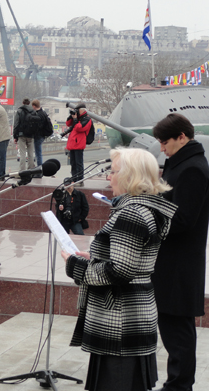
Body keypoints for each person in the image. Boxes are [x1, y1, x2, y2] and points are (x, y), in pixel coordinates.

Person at [61, 148, 177, 391]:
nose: (108, 177)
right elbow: (131, 260)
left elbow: (120, 272)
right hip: (130, 315)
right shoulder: (142, 209)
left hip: (120, 321)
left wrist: (75, 266)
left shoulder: (131, 213)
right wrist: (94, 257)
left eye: (113, 172)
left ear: (129, 176)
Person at [151, 113, 209, 391]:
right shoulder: (180, 164)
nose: (162, 147)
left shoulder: (193, 169)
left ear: (182, 137)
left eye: (165, 142)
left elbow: (184, 219)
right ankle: (176, 382)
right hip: (170, 260)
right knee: (171, 327)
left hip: (180, 263)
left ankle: (180, 386)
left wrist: (148, 220)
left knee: (178, 331)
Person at [64, 103, 92, 185]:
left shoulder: (87, 119)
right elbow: (68, 123)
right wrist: (71, 116)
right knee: (73, 163)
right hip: (72, 143)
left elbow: (80, 128)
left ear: (82, 110)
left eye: (78, 110)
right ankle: (74, 178)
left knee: (78, 163)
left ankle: (80, 180)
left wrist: (75, 119)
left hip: (79, 144)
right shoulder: (78, 118)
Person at [13, 98, 37, 172]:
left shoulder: (19, 111)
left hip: (21, 135)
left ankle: (22, 171)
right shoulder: (33, 111)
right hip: (31, 135)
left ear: (22, 102)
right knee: (30, 153)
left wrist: (15, 136)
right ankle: (30, 170)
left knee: (22, 153)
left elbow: (16, 124)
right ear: (29, 103)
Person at [31, 99, 52, 169]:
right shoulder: (43, 113)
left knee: (38, 153)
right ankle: (39, 167)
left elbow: (38, 126)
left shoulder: (38, 114)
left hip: (38, 135)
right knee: (38, 152)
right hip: (43, 135)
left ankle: (39, 168)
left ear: (34, 106)